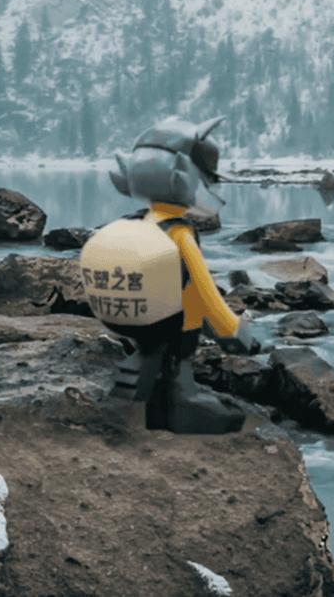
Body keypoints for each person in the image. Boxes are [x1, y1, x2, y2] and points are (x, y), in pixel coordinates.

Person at [80, 116, 257, 434]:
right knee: (177, 368)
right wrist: (232, 331)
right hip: (177, 322)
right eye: (207, 179)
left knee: (151, 358)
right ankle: (178, 410)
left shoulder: (141, 222)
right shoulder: (179, 233)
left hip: (143, 317)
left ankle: (132, 405)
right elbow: (204, 290)